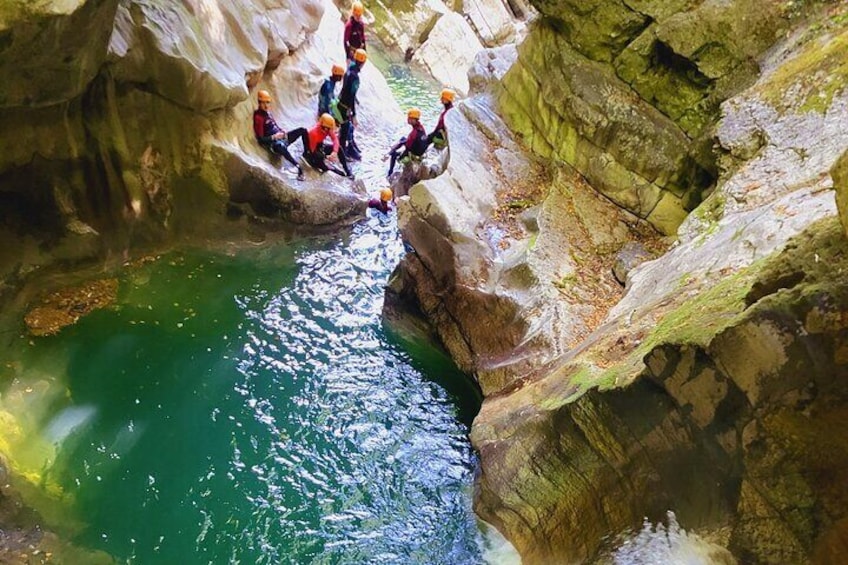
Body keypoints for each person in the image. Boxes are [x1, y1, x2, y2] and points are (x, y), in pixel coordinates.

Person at [253, 89, 306, 180]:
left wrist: (282, 131)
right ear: (259, 103)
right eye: (263, 103)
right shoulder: (259, 117)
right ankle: (298, 167)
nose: (266, 105)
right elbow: (260, 139)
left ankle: (307, 152)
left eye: (267, 103)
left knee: (302, 130)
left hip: (281, 138)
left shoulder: (268, 113)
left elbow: (275, 126)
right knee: (280, 146)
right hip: (274, 144)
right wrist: (274, 137)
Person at [338, 49, 367, 161]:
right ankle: (343, 154)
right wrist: (353, 114)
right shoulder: (355, 77)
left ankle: (349, 148)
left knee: (346, 128)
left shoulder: (349, 68)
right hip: (346, 105)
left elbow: (347, 90)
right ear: (363, 63)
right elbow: (351, 94)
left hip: (341, 101)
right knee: (345, 130)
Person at [303, 113, 353, 178]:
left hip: (320, 147)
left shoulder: (327, 128)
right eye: (326, 128)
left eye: (329, 129)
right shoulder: (313, 133)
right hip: (312, 153)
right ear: (321, 125)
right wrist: (326, 157)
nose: (327, 130)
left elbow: (335, 139)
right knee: (333, 171)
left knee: (339, 148)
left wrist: (334, 152)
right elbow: (313, 152)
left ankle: (347, 170)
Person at [384, 108, 428, 177]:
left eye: (410, 119)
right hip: (419, 150)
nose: (408, 120)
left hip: (414, 154)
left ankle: (390, 172)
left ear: (414, 120)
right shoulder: (421, 128)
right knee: (403, 139)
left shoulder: (414, 132)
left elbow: (407, 148)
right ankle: (391, 150)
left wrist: (400, 156)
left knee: (394, 154)